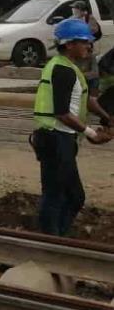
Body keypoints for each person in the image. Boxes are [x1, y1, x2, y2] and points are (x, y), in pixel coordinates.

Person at [31, 19, 113, 236]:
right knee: (62, 195)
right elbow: (62, 113)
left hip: (62, 139)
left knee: (65, 195)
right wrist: (90, 132)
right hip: (55, 138)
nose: (89, 46)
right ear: (69, 44)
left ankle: (56, 238)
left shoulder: (69, 68)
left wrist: (107, 118)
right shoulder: (62, 70)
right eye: (84, 42)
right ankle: (52, 241)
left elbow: (86, 100)